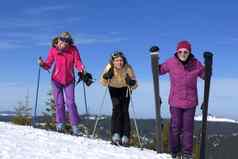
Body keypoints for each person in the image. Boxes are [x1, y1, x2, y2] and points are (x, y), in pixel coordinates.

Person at [38, 32, 92, 136]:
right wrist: (42, 64)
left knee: (70, 103)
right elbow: (48, 64)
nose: (64, 42)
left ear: (69, 42)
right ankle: (60, 125)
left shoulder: (73, 50)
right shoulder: (53, 50)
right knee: (59, 103)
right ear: (58, 40)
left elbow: (77, 61)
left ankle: (75, 127)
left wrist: (81, 69)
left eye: (67, 41)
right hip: (56, 80)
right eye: (62, 40)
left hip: (69, 80)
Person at [158, 40, 205, 159]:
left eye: (185, 51)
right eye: (180, 51)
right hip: (175, 101)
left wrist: (208, 66)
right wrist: (154, 61)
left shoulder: (196, 63)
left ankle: (187, 153)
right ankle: (174, 151)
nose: (183, 54)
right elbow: (159, 70)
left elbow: (205, 75)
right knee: (175, 128)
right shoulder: (171, 62)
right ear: (177, 52)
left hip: (190, 102)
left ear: (189, 52)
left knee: (188, 129)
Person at [100, 51, 138, 146]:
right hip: (113, 88)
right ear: (113, 61)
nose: (119, 62)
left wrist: (132, 82)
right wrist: (106, 76)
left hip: (125, 88)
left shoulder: (128, 67)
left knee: (125, 110)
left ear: (123, 60)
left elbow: (135, 83)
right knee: (116, 109)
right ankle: (115, 134)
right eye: (117, 60)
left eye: (121, 60)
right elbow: (103, 82)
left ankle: (125, 135)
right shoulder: (109, 67)